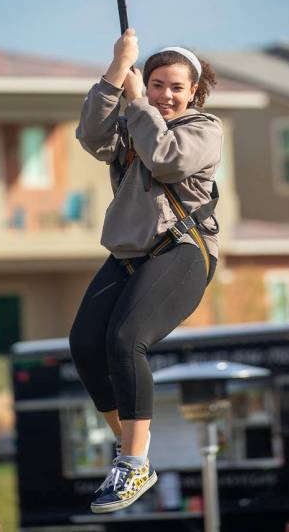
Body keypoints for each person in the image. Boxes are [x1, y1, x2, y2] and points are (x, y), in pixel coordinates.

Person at [69, 28, 222, 514]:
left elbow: (166, 160)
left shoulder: (204, 129)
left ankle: (133, 461)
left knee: (124, 339)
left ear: (195, 91)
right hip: (129, 253)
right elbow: (91, 135)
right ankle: (131, 452)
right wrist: (118, 69)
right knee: (87, 343)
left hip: (182, 249)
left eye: (176, 87)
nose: (166, 95)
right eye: (156, 84)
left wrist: (140, 106)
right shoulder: (135, 120)